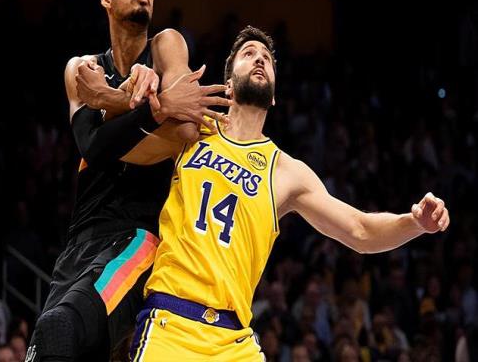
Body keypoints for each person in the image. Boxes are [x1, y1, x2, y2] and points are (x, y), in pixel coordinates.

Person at [123, 26, 450, 360]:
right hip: (171, 321)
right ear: (229, 84)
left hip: (233, 340)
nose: (260, 60)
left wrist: (415, 223)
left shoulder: (286, 172)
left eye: (266, 58)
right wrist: (137, 94)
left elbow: (360, 230)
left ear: (274, 96)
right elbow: (121, 148)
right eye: (249, 54)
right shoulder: (194, 129)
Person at [27, 0, 230, 362]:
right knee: (48, 346)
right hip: (80, 238)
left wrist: (110, 100)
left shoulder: (165, 45)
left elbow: (185, 131)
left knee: (60, 328)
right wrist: (154, 109)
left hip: (138, 234)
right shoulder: (82, 68)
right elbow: (92, 147)